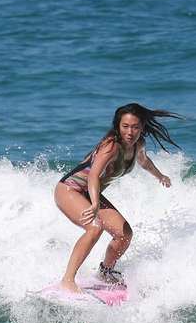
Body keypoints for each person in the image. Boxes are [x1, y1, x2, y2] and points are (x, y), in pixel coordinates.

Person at [54, 102, 182, 293]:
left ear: (142, 128)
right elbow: (94, 175)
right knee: (94, 227)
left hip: (90, 193)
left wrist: (160, 176)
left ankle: (105, 272)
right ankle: (67, 280)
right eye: (125, 126)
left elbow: (144, 161)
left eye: (135, 127)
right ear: (118, 126)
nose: (130, 132)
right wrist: (96, 203)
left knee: (124, 235)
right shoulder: (111, 146)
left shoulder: (138, 144)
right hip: (69, 190)